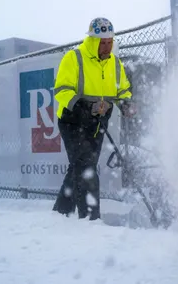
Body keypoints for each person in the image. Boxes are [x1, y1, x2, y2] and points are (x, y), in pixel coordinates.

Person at [52, 17, 136, 220]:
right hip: (73, 122)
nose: (106, 46)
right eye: (102, 42)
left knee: (80, 166)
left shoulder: (115, 63)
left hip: (97, 124)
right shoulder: (74, 58)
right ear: (92, 40)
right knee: (86, 167)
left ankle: (61, 211)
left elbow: (122, 88)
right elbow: (61, 90)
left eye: (109, 42)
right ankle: (90, 219)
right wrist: (83, 107)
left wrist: (125, 102)